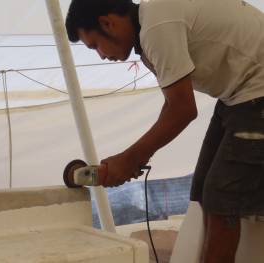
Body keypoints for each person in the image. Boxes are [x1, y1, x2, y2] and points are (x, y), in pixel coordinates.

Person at [65, 0, 264, 262]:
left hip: (255, 92)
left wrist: (129, 159)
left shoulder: (156, 26)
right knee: (203, 189)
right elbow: (172, 105)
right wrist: (136, 158)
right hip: (237, 96)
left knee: (220, 197)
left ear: (107, 23)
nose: (101, 55)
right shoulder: (148, 35)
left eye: (95, 46)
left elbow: (183, 110)